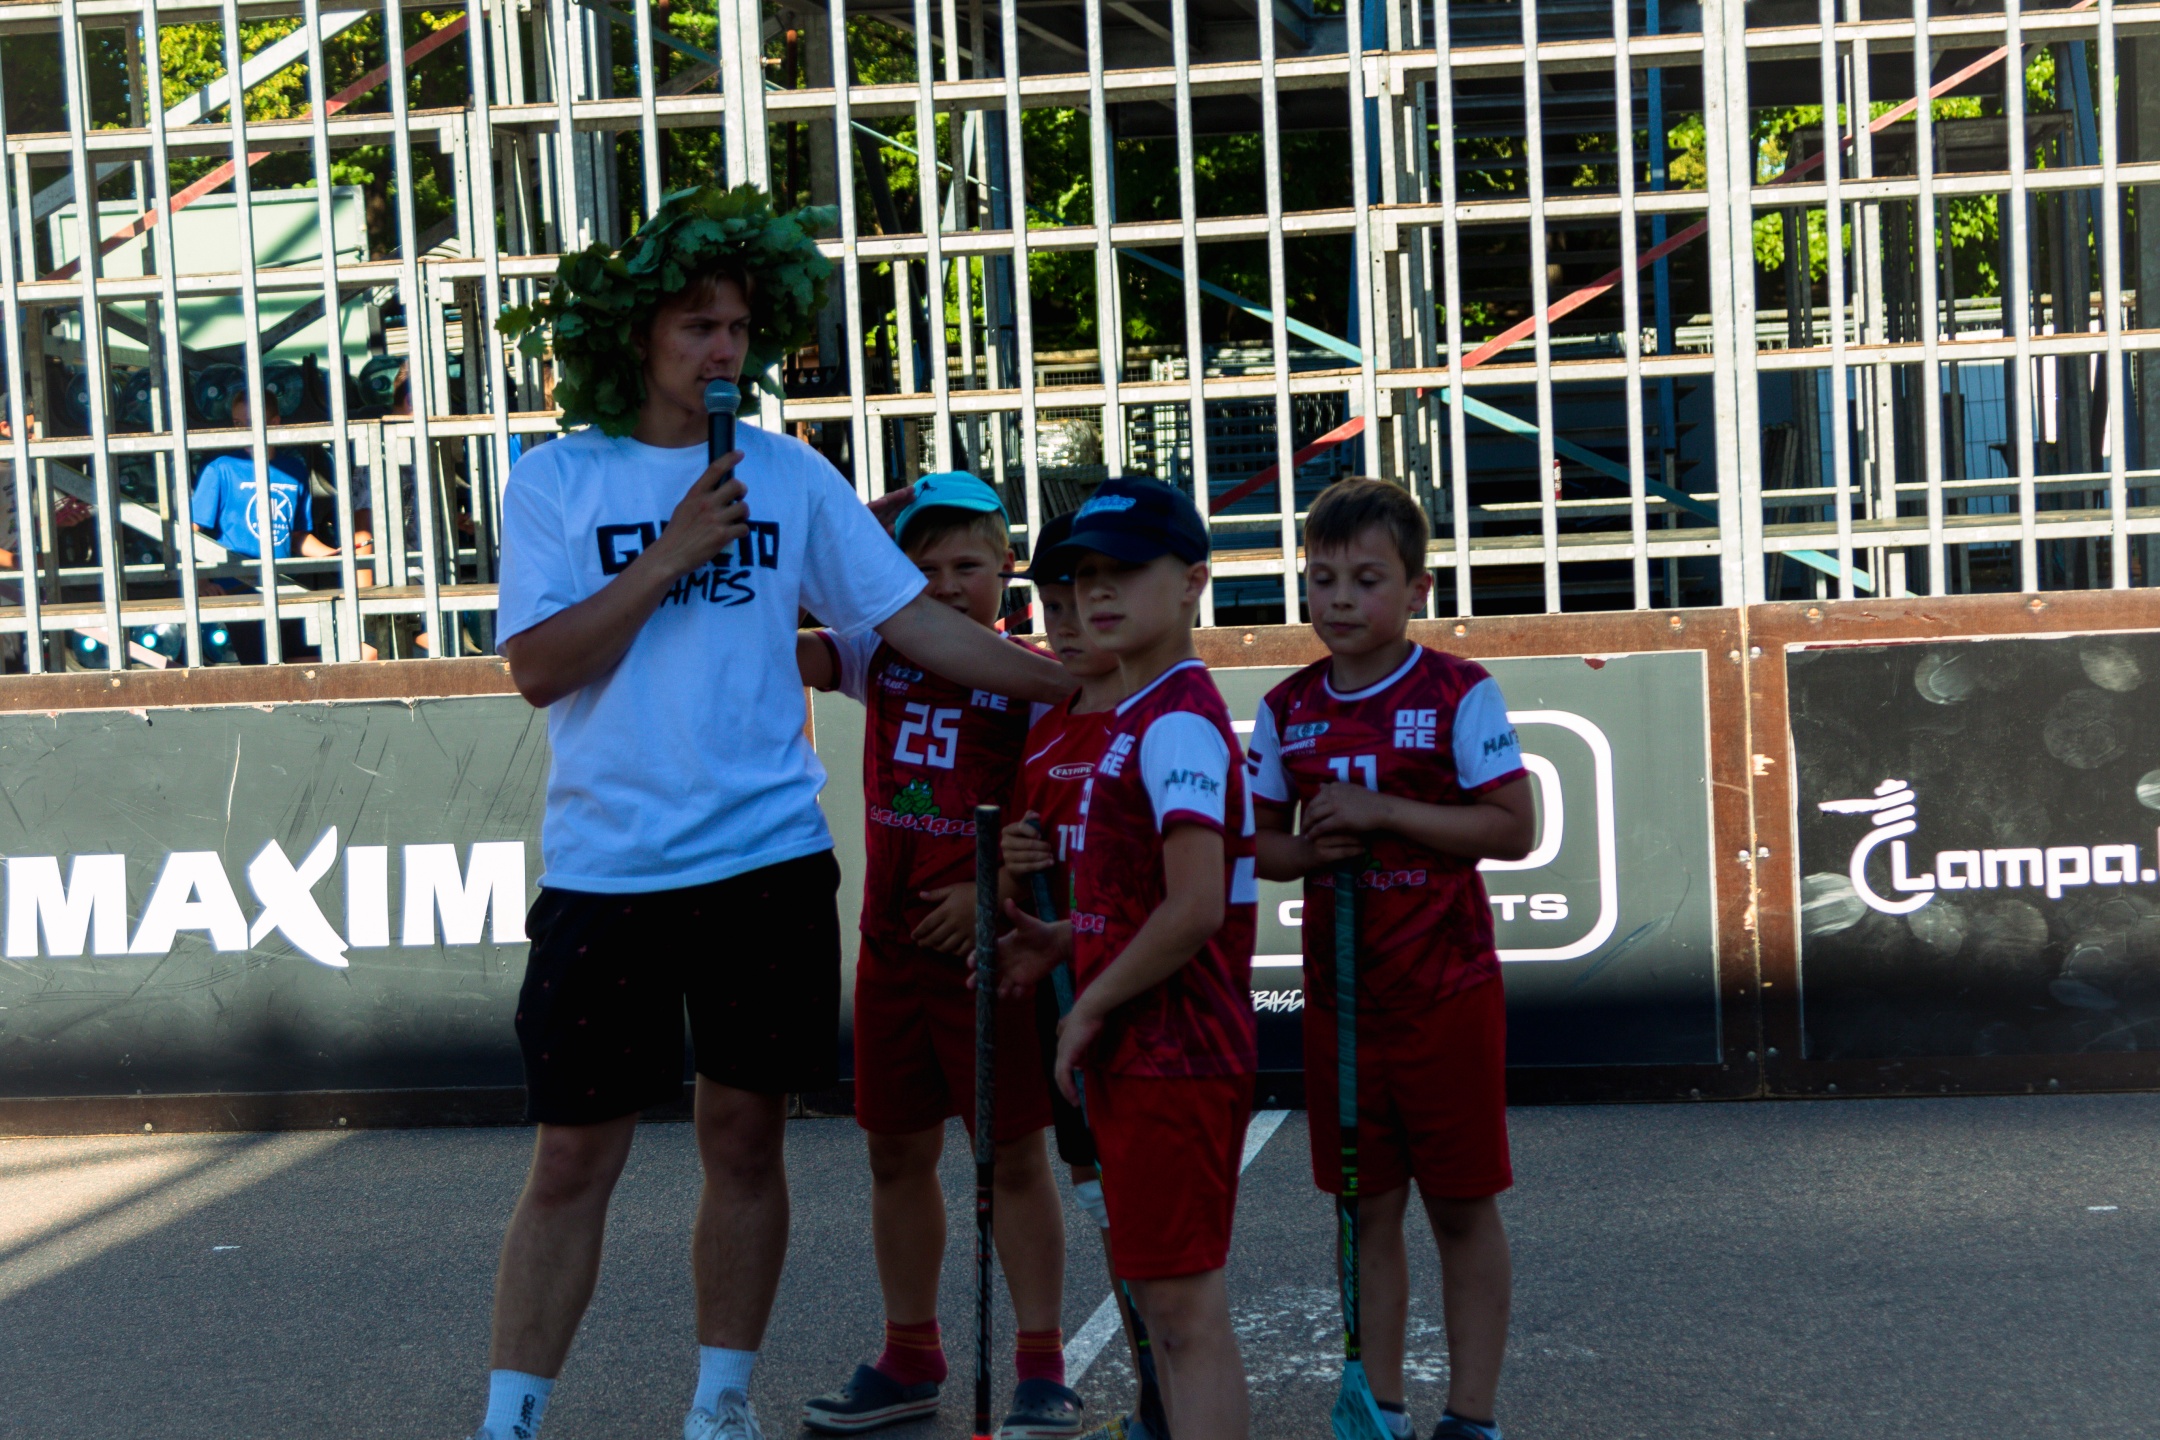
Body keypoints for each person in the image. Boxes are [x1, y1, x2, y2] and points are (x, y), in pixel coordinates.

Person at [483, 188, 1073, 1440]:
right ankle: (512, 1419)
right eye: (698, 326)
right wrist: (668, 554)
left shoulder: (792, 473)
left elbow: (908, 625)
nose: (724, 351)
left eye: (740, 329)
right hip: (608, 868)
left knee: (746, 1140)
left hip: (766, 861)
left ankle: (721, 1404)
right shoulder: (556, 478)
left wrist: (1078, 686)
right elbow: (538, 668)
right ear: (637, 335)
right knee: (574, 1157)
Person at [1245, 478, 1536, 1440]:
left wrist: (1383, 814)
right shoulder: (1287, 706)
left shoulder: (1458, 689)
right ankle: (1381, 1411)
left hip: (1448, 994)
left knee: (1461, 1207)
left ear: (1416, 589)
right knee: (1365, 1211)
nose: (1339, 599)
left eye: (1366, 580)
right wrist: (1304, 852)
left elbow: (1514, 827)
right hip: (1341, 1004)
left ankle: (1472, 1417)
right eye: (1321, 578)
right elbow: (1255, 845)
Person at [795, 472, 1082, 1438]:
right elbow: (774, 644)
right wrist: (836, 541)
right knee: (894, 1153)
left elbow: (1052, 825)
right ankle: (909, 1355)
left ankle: (1041, 1365)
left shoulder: (1034, 679)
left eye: (969, 565)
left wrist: (987, 891)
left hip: (986, 956)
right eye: (923, 570)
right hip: (888, 947)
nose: (949, 586)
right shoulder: (878, 649)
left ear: (1007, 569)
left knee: (1013, 1157)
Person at [993, 477, 1259, 1440]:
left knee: (1184, 1319)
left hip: (1175, 1054)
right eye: (1082, 575)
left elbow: (1195, 908)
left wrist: (1089, 1002)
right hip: (1149, 1053)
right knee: (1167, 1311)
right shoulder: (1141, 712)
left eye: (1126, 571)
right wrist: (1067, 940)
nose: (1098, 593)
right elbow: (1152, 903)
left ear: (1192, 582)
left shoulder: (1175, 717)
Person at [998, 509, 1161, 1440]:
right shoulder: (1045, 733)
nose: (1064, 624)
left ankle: (1176, 1387)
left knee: (1163, 1220)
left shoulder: (1157, 718)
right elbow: (1017, 877)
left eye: (1079, 602)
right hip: (1069, 1012)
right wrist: (1013, 860)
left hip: (1151, 1011)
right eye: (1049, 606)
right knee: (1103, 1201)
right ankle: (1154, 1390)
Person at [190, 389, 339, 562]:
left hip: (282, 575)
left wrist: (334, 554)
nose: (244, 431)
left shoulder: (295, 470)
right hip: (234, 575)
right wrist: (200, 576)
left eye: (251, 423)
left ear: (274, 423)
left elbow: (297, 536)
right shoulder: (220, 468)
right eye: (238, 423)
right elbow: (192, 529)